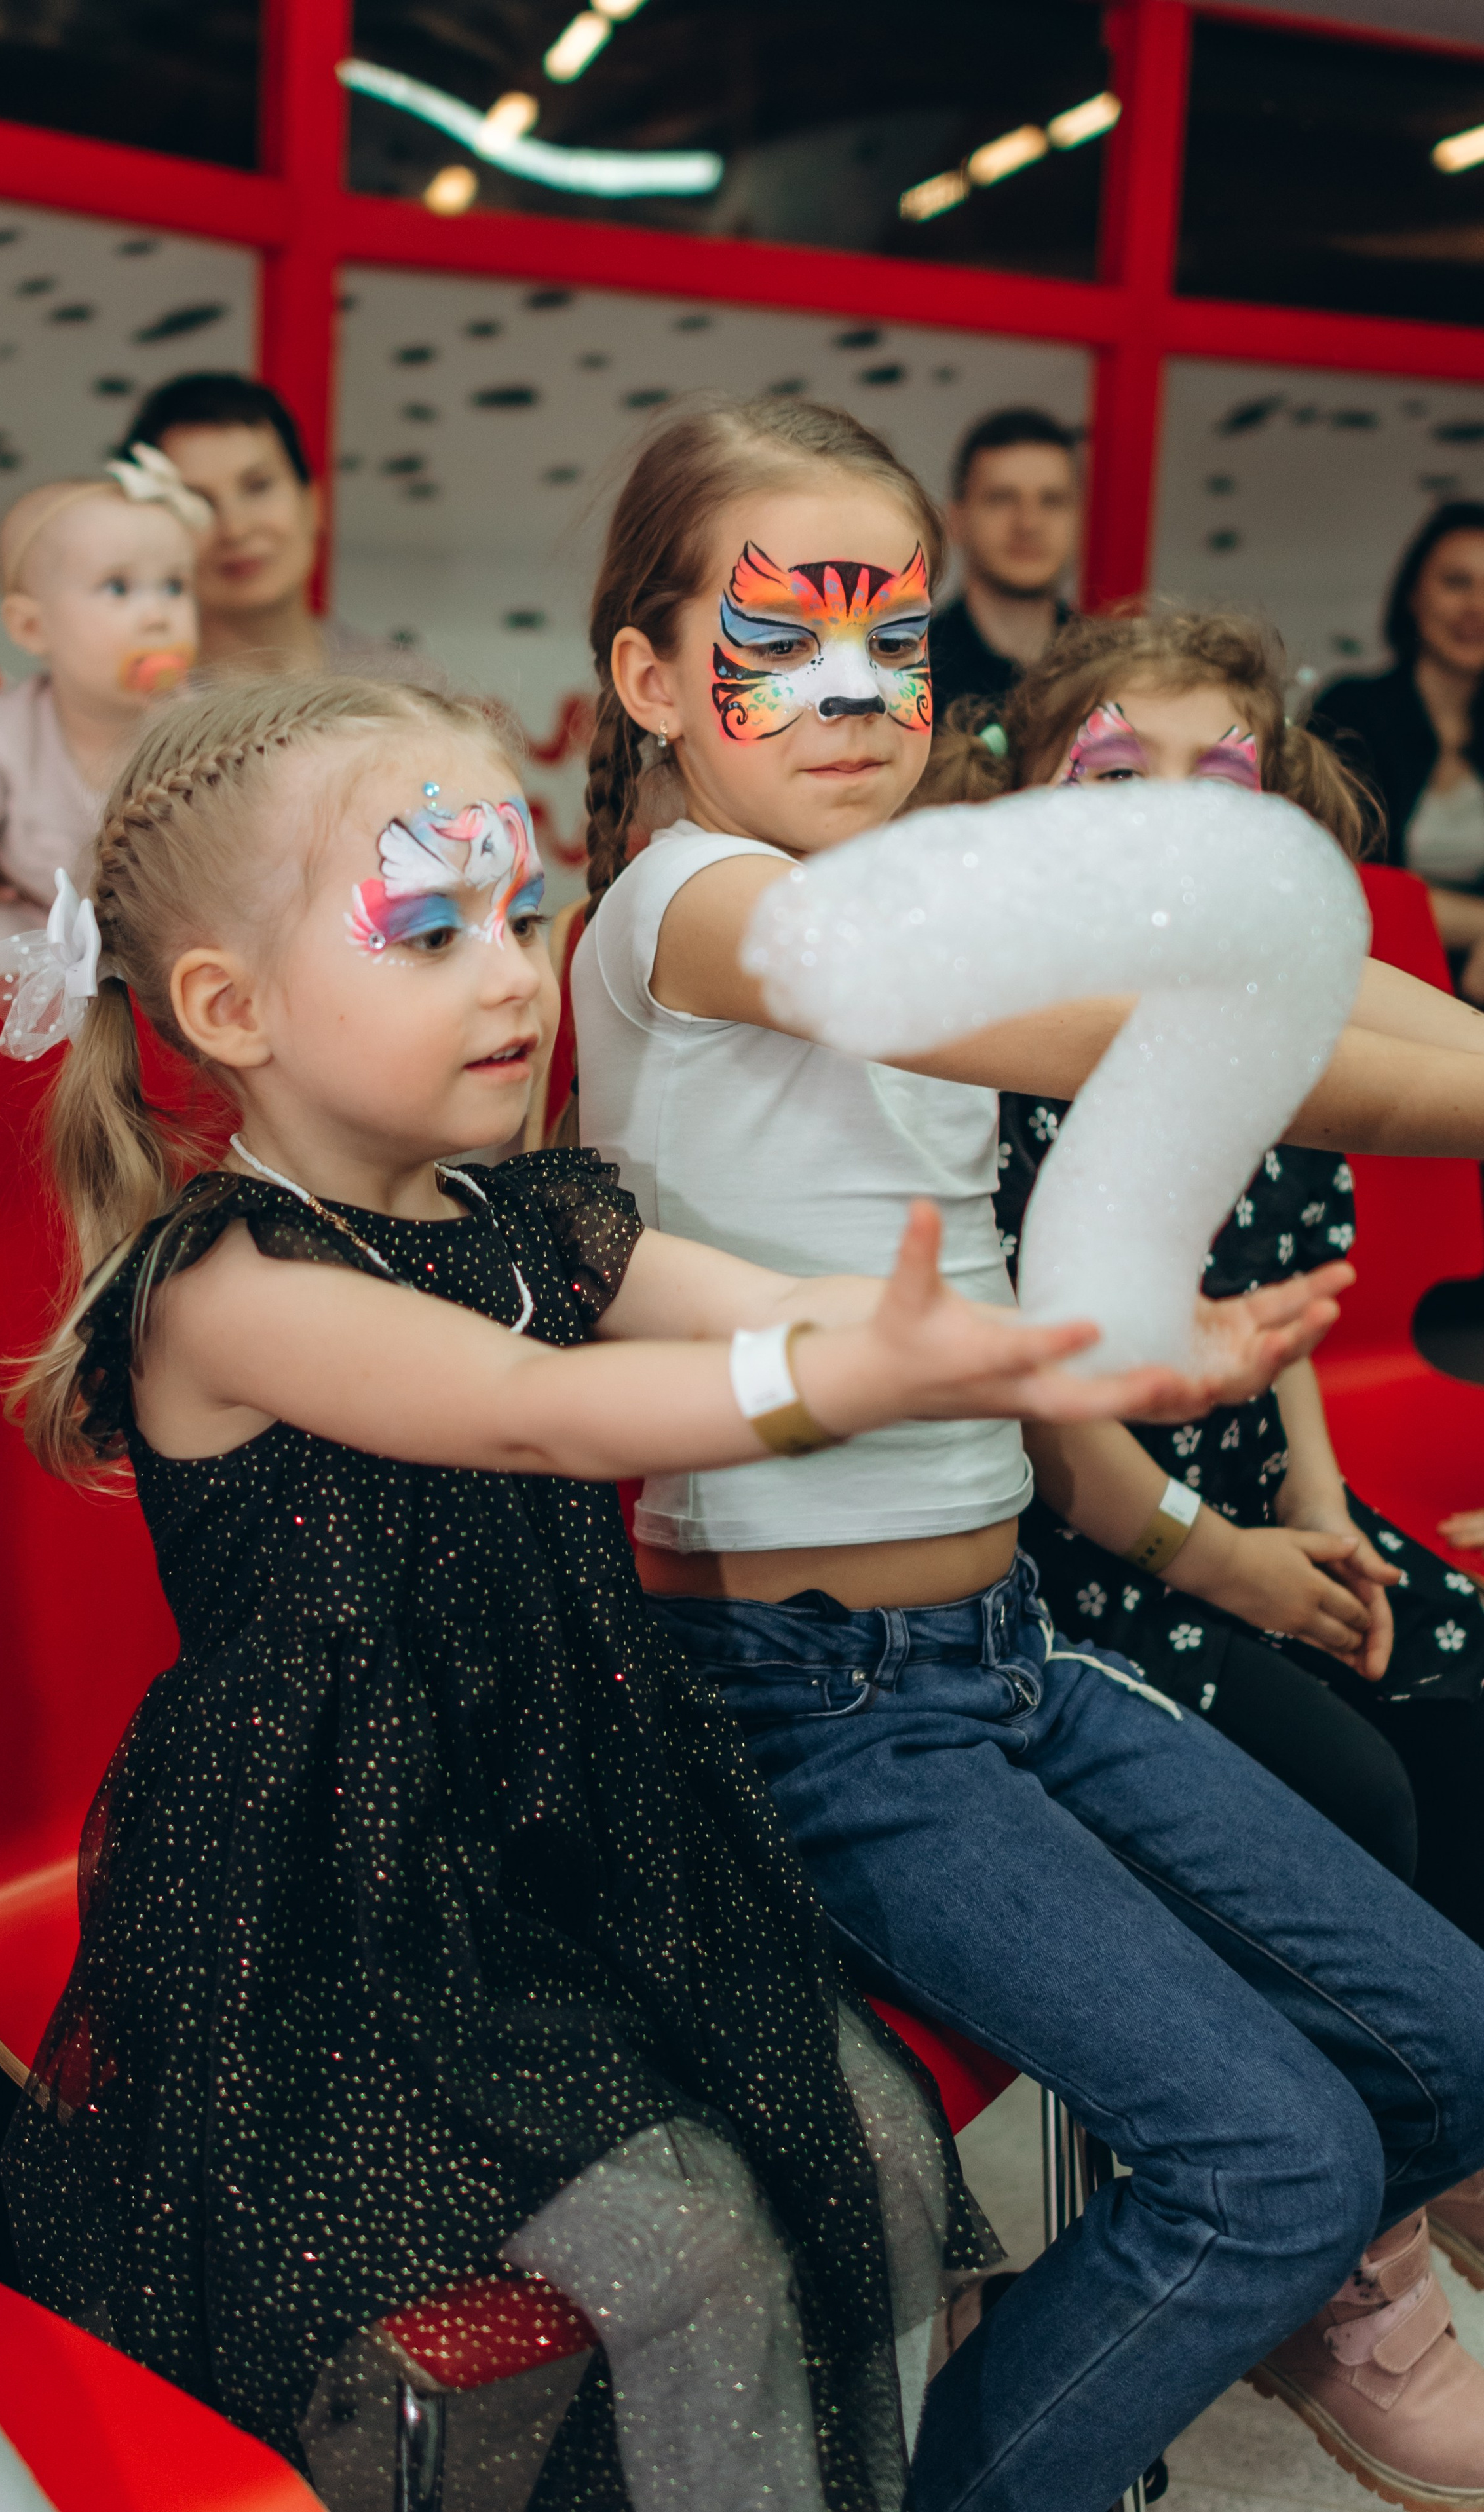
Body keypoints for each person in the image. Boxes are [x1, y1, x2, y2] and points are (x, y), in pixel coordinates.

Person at [0, 670, 1319, 2503]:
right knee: (688, 2239)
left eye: (522, 911)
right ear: (229, 1009)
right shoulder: (230, 1287)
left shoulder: (536, 1215)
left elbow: (795, 1309)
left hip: (584, 1824)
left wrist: (1072, 1347)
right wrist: (841, 1382)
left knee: (875, 2148)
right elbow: (543, 1411)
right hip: (352, 1912)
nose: (513, 974)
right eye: (432, 930)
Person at [570, 393, 1484, 2511]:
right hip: (803, 1704)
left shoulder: (910, 890)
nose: (850, 692)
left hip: (1001, 1659)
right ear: (649, 679)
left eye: (891, 641)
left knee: (1447, 2039)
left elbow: (1323, 977)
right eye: (780, 639)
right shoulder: (696, 911)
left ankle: (1190, 2308)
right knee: (1280, 2157)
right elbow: (1187, 1035)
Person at [925, 610, 1484, 1941]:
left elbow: (1284, 1318)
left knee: (1463, 1696)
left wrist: (1320, 1510)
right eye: (1117, 775)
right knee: (1357, 1796)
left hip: (1250, 1508)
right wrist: (1233, 1566)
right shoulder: (994, 1051)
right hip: (1088, 1559)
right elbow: (1043, 1420)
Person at [0, 449, 202, 995]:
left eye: (175, 586)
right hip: (38, 923)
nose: (159, 616)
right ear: (31, 628)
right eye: (119, 588)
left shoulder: (200, 732)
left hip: (155, 937)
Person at [117, 372, 426, 683]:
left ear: (313, 502)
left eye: (258, 486)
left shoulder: (408, 688)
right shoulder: (129, 701)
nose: (235, 530)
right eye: (197, 502)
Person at [1314, 501, 1484, 1000]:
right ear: (1412, 594)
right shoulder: (1351, 711)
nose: (1476, 607)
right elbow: (1338, 880)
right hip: (1369, 980)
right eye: (1456, 582)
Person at [926, 406, 1078, 716]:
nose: (1029, 523)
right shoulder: (915, 668)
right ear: (956, 519)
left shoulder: (1110, 669)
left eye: (1052, 500)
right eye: (1002, 499)